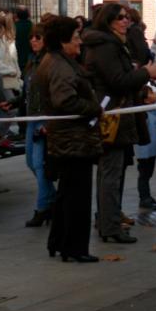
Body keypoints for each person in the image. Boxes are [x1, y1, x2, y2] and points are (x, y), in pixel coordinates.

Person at [83, 3, 156, 244]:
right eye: (120, 18)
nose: (125, 21)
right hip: (113, 116)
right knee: (111, 172)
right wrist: (146, 73)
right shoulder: (106, 46)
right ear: (108, 21)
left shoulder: (111, 43)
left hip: (117, 114)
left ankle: (108, 221)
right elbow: (117, 80)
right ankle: (110, 226)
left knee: (112, 172)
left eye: (127, 17)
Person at [37, 16, 103, 262]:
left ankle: (58, 242)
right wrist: (93, 107)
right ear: (63, 41)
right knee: (77, 196)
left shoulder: (55, 61)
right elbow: (65, 101)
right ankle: (74, 249)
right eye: (76, 38)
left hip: (66, 138)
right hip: (73, 140)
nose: (79, 42)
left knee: (67, 193)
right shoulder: (60, 66)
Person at [24, 23, 56, 227]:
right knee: (30, 162)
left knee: (39, 164)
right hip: (30, 117)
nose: (34, 40)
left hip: (43, 118)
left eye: (38, 37)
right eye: (32, 37)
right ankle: (53, 198)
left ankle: (43, 207)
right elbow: (29, 89)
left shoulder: (49, 62)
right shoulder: (32, 61)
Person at [134, 85, 156, 210]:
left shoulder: (154, 108)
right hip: (144, 150)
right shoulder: (143, 114)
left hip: (152, 149)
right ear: (145, 99)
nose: (154, 94)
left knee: (148, 173)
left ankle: (147, 196)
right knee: (144, 174)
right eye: (151, 92)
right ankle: (144, 198)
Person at [15, 6, 33, 73]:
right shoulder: (33, 26)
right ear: (28, 14)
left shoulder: (13, 27)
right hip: (30, 58)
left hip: (18, 58)